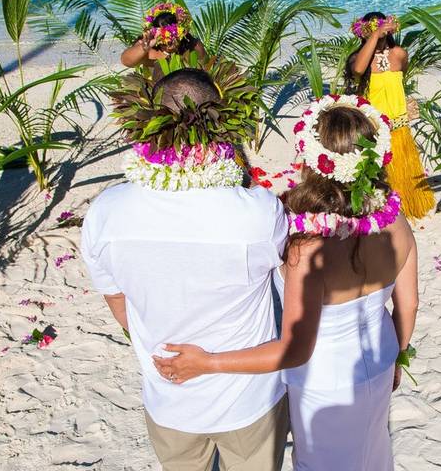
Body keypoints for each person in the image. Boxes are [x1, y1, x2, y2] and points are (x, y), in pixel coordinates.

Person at [153, 94, 419, 471]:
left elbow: (295, 351)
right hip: (379, 361)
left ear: (314, 159)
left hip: (326, 384)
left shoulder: (308, 249)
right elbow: (408, 305)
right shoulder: (395, 221)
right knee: (372, 457)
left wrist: (206, 363)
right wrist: (396, 358)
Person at [80, 59, 289, 470]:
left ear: (150, 124)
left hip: (168, 395)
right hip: (247, 398)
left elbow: (121, 306)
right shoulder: (257, 214)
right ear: (222, 125)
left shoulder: (106, 211)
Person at [345, 12, 434, 220]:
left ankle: (407, 204)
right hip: (373, 127)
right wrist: (375, 35)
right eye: (373, 32)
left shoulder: (399, 54)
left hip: (399, 124)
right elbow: (358, 70)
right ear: (365, 34)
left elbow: (402, 74)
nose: (379, 36)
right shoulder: (358, 60)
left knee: (402, 169)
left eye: (382, 32)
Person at [121, 2, 207, 69]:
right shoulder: (148, 49)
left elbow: (207, 70)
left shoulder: (193, 46)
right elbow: (126, 61)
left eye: (171, 35)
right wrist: (144, 49)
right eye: (162, 38)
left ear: (181, 33)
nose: (168, 42)